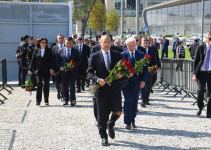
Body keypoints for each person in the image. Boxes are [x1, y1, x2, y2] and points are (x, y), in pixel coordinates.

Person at [88, 34, 123, 146]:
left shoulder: (118, 55)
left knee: (118, 111)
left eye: (109, 42)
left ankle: (111, 123)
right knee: (102, 115)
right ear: (100, 43)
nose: (107, 44)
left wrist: (121, 74)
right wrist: (97, 79)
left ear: (111, 43)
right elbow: (89, 73)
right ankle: (104, 136)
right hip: (101, 90)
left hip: (115, 89)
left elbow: (124, 70)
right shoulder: (94, 56)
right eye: (105, 42)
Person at [121, 37, 146, 129]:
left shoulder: (141, 54)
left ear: (136, 45)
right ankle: (127, 122)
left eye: (132, 45)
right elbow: (120, 69)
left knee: (134, 101)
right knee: (128, 100)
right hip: (126, 83)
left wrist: (143, 80)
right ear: (126, 45)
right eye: (129, 46)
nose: (131, 47)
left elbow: (145, 69)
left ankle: (132, 119)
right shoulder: (123, 55)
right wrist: (126, 74)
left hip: (137, 82)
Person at [28, 38, 54, 106]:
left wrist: (51, 68)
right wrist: (30, 69)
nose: (44, 43)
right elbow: (33, 60)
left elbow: (51, 60)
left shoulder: (49, 50)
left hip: (47, 70)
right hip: (38, 70)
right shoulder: (36, 49)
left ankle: (46, 100)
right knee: (39, 85)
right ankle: (38, 101)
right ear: (39, 43)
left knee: (46, 85)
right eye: (42, 42)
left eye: (45, 42)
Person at [193, 32, 211, 118]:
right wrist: (194, 74)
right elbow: (195, 62)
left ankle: (209, 112)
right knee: (200, 91)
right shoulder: (201, 47)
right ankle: (200, 107)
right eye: (210, 39)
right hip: (202, 73)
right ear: (206, 39)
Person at [58, 37, 79, 106]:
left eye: (70, 43)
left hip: (73, 71)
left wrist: (74, 65)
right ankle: (65, 99)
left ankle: (73, 100)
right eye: (67, 43)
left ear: (72, 43)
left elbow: (79, 60)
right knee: (64, 86)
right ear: (64, 43)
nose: (68, 44)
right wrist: (60, 67)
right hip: (63, 72)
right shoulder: (60, 50)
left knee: (72, 86)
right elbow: (57, 61)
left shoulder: (75, 51)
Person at [52, 34, 65, 100]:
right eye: (59, 38)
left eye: (62, 38)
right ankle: (59, 91)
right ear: (57, 39)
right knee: (57, 82)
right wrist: (52, 68)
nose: (60, 39)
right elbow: (52, 59)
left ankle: (63, 94)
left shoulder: (67, 46)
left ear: (64, 39)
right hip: (56, 69)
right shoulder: (54, 47)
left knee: (64, 82)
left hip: (65, 69)